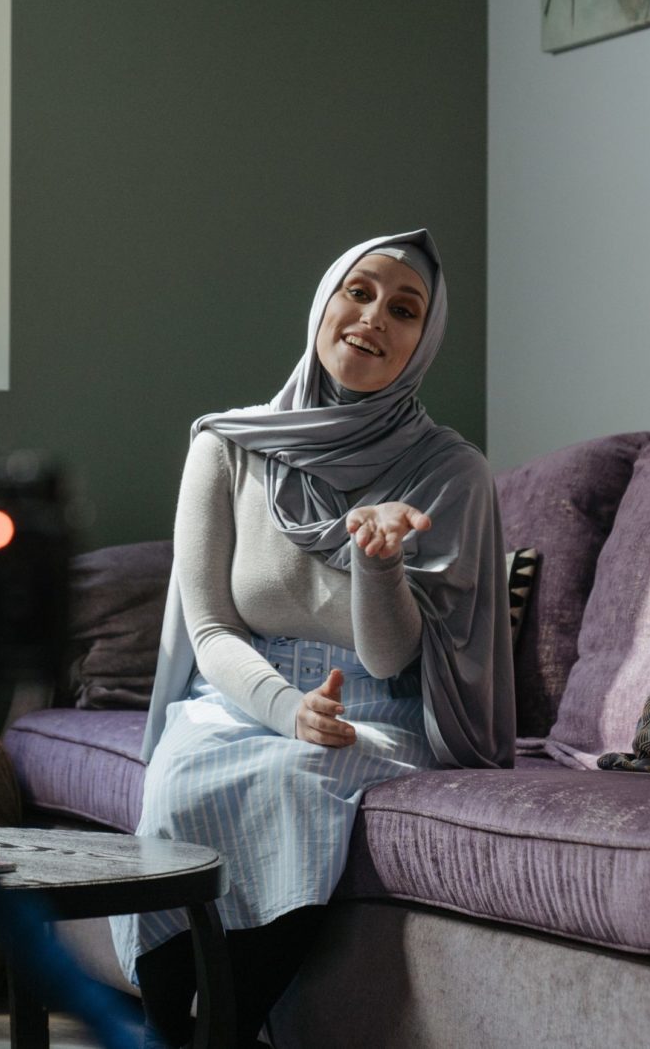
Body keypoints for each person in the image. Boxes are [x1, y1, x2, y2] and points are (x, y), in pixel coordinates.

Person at [112, 230, 515, 1048]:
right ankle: (162, 1032)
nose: (373, 319)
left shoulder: (451, 471)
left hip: (374, 707)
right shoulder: (226, 443)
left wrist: (379, 561)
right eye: (358, 292)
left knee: (304, 779)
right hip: (239, 690)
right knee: (179, 786)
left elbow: (390, 659)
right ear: (324, 303)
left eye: (405, 310)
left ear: (423, 342)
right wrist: (284, 705)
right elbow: (212, 626)